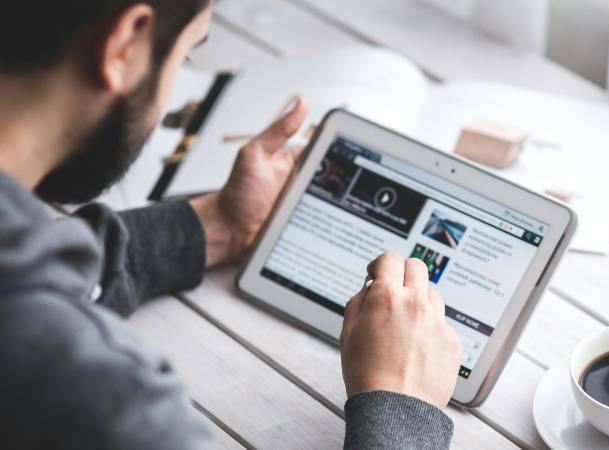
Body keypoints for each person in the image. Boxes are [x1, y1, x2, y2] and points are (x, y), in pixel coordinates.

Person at [0, 1, 463, 448]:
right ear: (126, 43)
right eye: (186, 54)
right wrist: (401, 407)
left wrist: (216, 225)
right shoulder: (103, 403)